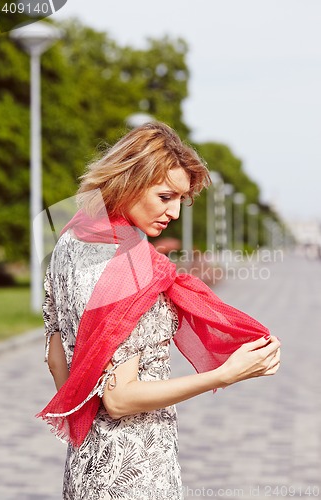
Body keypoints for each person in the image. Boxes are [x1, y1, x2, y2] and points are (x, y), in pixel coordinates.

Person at [38, 121, 280, 500]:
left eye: (180, 200)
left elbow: (56, 358)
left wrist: (89, 419)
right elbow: (120, 399)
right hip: (137, 473)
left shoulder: (71, 239)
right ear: (131, 181)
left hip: (84, 465)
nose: (175, 213)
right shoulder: (130, 265)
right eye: (165, 196)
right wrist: (223, 375)